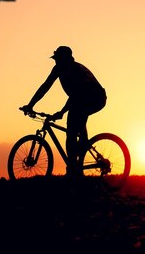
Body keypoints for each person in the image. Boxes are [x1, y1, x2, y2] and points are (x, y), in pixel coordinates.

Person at [21, 46, 107, 178]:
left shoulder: (74, 70)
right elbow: (45, 86)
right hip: (82, 98)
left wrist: (61, 112)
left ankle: (73, 169)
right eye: (55, 59)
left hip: (96, 97)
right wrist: (30, 105)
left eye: (58, 59)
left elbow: (76, 96)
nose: (56, 62)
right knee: (76, 120)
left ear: (65, 59)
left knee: (72, 127)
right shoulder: (59, 69)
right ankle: (79, 158)